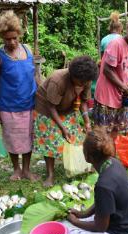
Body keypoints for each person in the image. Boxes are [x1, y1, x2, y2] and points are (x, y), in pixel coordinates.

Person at [53, 128, 128, 234]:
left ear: (88, 156)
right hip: (121, 224)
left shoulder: (104, 184)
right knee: (64, 227)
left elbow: (100, 227)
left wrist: (77, 222)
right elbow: (103, 203)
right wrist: (83, 214)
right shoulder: (114, 163)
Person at [0, 11, 39, 182]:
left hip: (30, 103)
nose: (11, 42)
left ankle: (26, 169)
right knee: (11, 137)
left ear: (19, 35)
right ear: (2, 37)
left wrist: (41, 96)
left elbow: (34, 75)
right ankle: (16, 169)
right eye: (7, 39)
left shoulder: (28, 50)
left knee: (28, 136)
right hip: (8, 105)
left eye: (14, 38)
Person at [34, 56, 98, 187]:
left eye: (85, 82)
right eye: (80, 81)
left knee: (77, 137)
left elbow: (83, 102)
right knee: (50, 141)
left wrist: (86, 122)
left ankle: (81, 166)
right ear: (72, 74)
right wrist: (62, 128)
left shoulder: (86, 79)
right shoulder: (58, 80)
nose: (82, 84)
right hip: (47, 110)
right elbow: (51, 107)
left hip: (67, 108)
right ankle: (50, 175)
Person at [94, 16, 128, 140]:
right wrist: (124, 87)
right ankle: (99, 157)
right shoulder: (116, 44)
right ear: (127, 28)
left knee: (116, 129)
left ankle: (110, 156)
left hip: (120, 96)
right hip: (106, 96)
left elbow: (127, 71)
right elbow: (107, 70)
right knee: (101, 133)